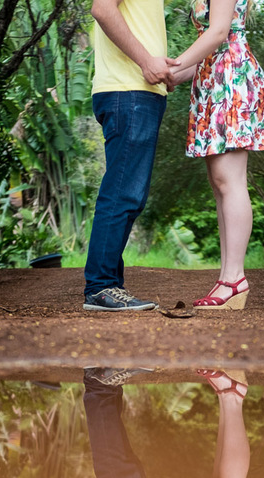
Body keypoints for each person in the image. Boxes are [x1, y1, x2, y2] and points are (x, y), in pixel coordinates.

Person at [169, 0, 264, 310]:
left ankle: (234, 279)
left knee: (230, 180)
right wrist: (176, 74)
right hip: (213, 79)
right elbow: (212, 39)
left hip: (230, 79)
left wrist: (175, 65)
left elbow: (218, 33)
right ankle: (226, 278)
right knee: (220, 182)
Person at [82, 0, 181, 312]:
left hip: (139, 91)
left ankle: (110, 283)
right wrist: (146, 62)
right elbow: (102, 9)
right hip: (129, 90)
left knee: (130, 195)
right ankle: (100, 286)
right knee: (123, 191)